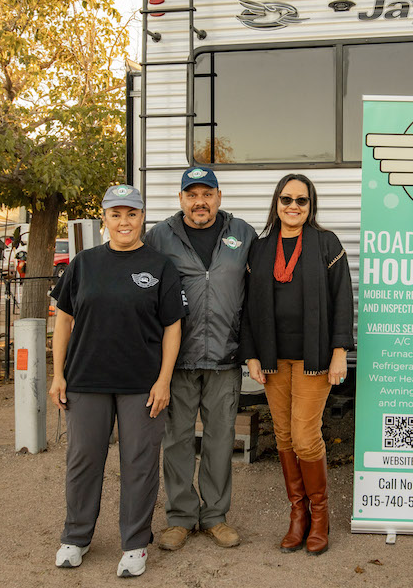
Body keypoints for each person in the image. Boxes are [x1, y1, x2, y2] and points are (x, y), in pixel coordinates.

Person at [48, 184, 184, 578]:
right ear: (104, 218)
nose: (124, 221)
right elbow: (64, 321)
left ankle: (135, 544)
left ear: (143, 218)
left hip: (141, 383)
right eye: (116, 214)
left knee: (139, 464)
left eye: (132, 214)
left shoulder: (160, 266)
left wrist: (164, 381)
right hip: (86, 380)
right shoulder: (83, 264)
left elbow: (172, 327)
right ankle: (76, 537)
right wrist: (58, 374)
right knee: (83, 461)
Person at [144, 167, 257, 551]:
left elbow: (255, 294)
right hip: (177, 359)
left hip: (225, 357)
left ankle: (214, 516)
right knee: (176, 439)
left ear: (218, 197)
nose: (199, 202)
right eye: (191, 195)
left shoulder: (242, 234)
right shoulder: (159, 236)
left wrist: (253, 349)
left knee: (220, 439)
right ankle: (179, 517)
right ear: (181, 200)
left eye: (206, 194)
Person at [240, 174, 354, 556]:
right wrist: (252, 353)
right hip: (274, 359)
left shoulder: (326, 244)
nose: (293, 206)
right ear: (276, 202)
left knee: (306, 438)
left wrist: (340, 351)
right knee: (285, 436)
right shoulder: (259, 248)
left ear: (311, 205)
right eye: (286, 199)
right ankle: (298, 516)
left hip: (314, 357)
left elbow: (342, 301)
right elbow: (249, 308)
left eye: (301, 201)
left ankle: (320, 517)